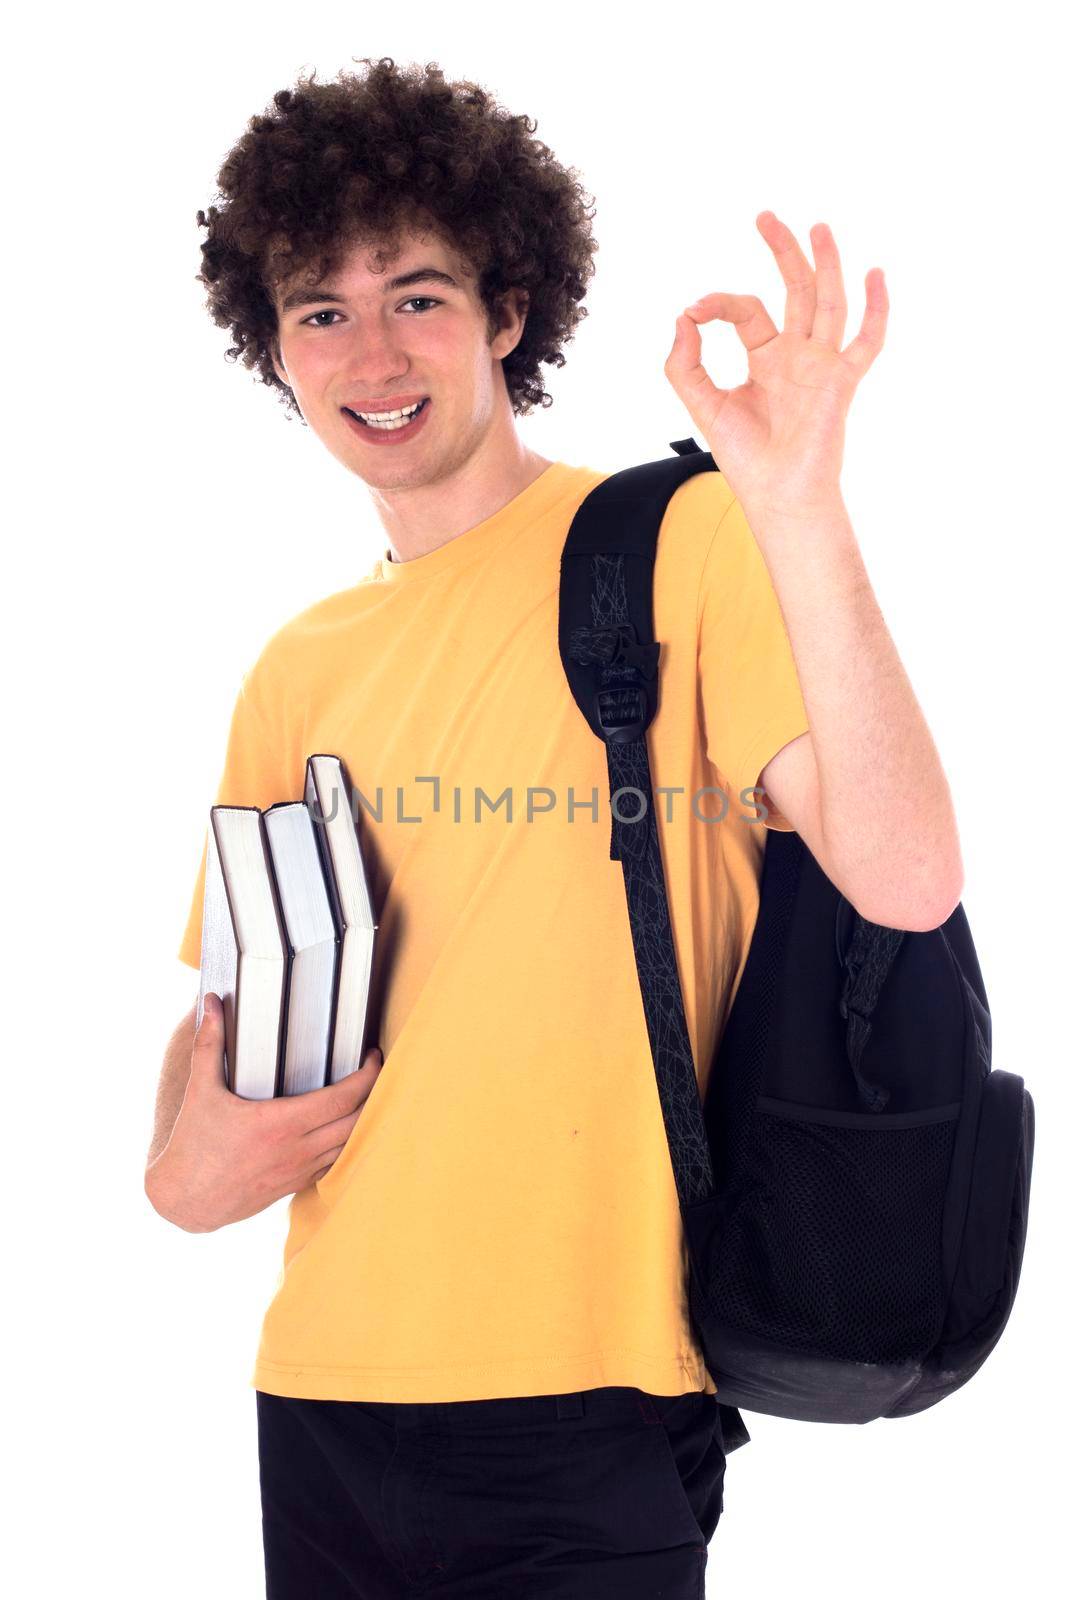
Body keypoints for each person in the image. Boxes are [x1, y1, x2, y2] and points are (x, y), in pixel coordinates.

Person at [144, 56, 964, 1599]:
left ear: (510, 310)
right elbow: (202, 1109)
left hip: (591, 1409)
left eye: (419, 296)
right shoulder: (296, 668)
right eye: (320, 311)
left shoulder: (683, 542)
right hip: (319, 1397)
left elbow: (908, 876)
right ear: (277, 353)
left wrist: (799, 503)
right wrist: (198, 1158)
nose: (372, 353)